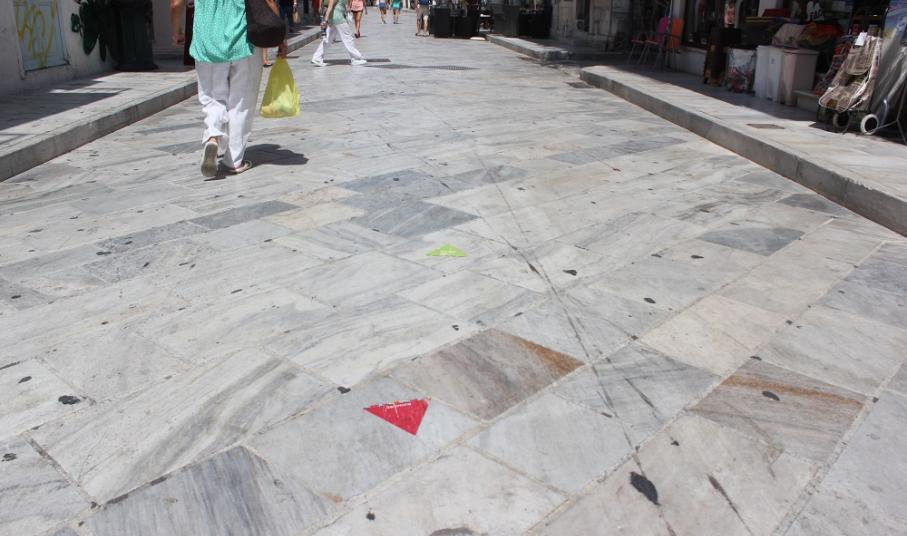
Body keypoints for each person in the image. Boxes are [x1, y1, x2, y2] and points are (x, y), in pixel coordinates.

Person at [171, 0, 287, 176]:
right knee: (242, 101)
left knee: (211, 98)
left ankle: (212, 136)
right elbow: (269, 1)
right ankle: (234, 161)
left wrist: (176, 31)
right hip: (244, 42)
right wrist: (280, 36)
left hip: (207, 41)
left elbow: (175, 4)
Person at [311, 0, 367, 66]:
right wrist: (325, 21)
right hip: (338, 19)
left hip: (335, 19)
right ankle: (356, 58)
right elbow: (330, 7)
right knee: (348, 38)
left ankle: (317, 58)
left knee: (328, 39)